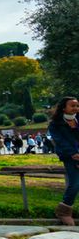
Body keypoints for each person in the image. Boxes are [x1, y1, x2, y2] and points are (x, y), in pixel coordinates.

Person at [48, 97, 79, 226]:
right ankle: (64, 211)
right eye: (72, 106)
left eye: (77, 106)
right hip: (69, 156)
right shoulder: (55, 124)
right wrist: (73, 153)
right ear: (63, 108)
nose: (76, 108)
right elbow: (59, 141)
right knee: (75, 183)